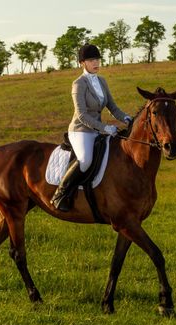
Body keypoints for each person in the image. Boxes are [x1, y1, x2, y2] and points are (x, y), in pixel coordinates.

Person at [50, 44, 132, 212]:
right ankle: (60, 194)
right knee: (85, 160)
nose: (96, 63)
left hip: (96, 130)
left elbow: (112, 107)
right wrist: (104, 127)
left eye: (97, 59)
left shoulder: (102, 81)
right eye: (92, 60)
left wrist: (126, 118)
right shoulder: (78, 84)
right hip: (80, 130)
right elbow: (81, 115)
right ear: (82, 63)